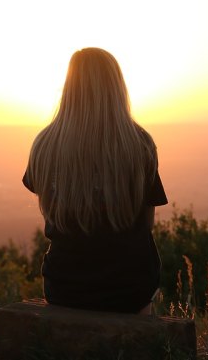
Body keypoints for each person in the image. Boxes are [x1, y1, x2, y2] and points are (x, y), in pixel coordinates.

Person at [22, 47, 168, 315]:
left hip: (65, 287)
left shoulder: (44, 145)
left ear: (68, 87)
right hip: (129, 288)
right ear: (117, 88)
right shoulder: (140, 145)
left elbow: (51, 211)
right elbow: (147, 224)